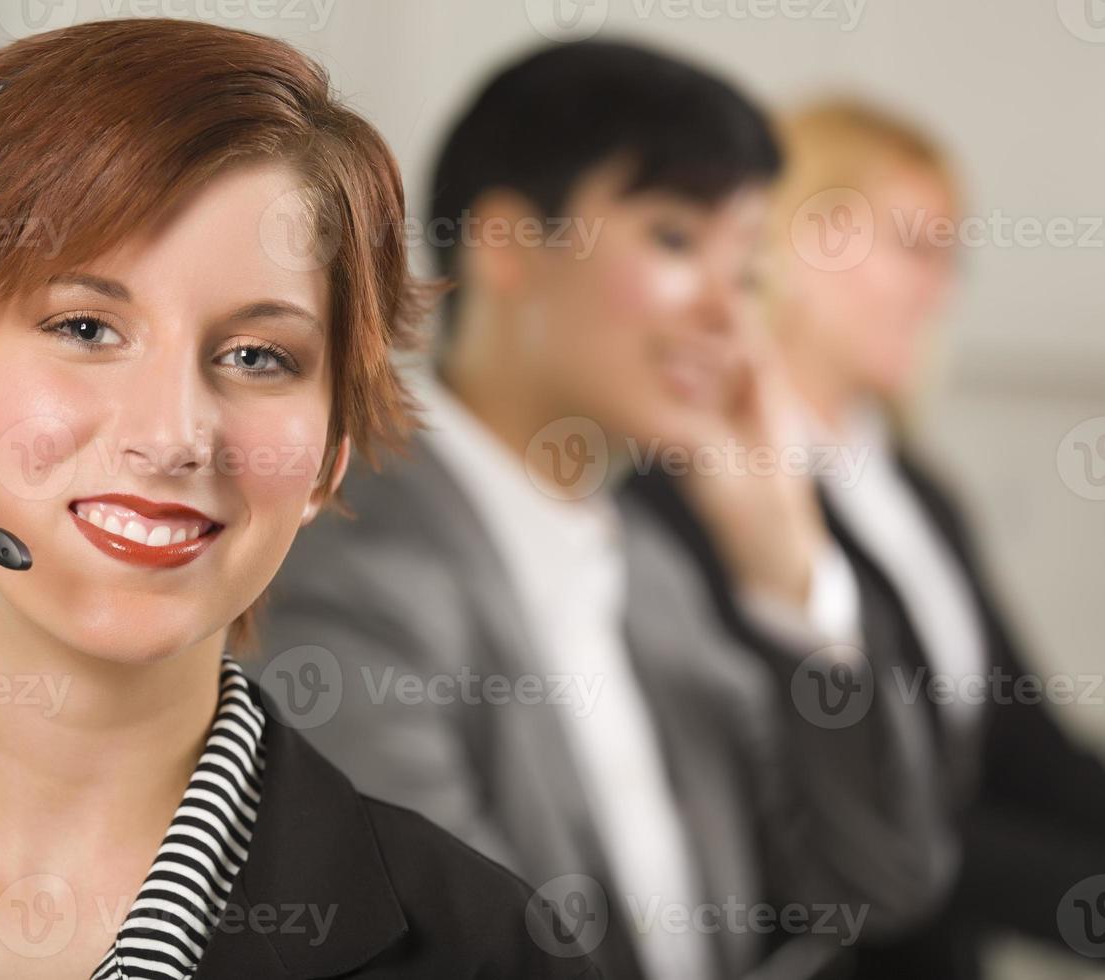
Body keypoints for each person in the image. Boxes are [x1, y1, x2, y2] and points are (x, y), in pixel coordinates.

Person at [0, 20, 600, 980]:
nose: (175, 433)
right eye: (87, 326)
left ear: (329, 457)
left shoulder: (492, 952)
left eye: (259, 356)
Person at [252, 41, 950, 980]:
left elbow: (886, 882)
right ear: (505, 246)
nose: (728, 316)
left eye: (746, 271)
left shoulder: (653, 567)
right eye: (673, 240)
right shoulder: (344, 565)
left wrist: (792, 580)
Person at [762, 98, 1105, 978]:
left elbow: (1025, 749)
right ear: (804, 240)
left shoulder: (916, 489)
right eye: (915, 246)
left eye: (950, 257)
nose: (940, 291)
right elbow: (846, 815)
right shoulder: (713, 495)